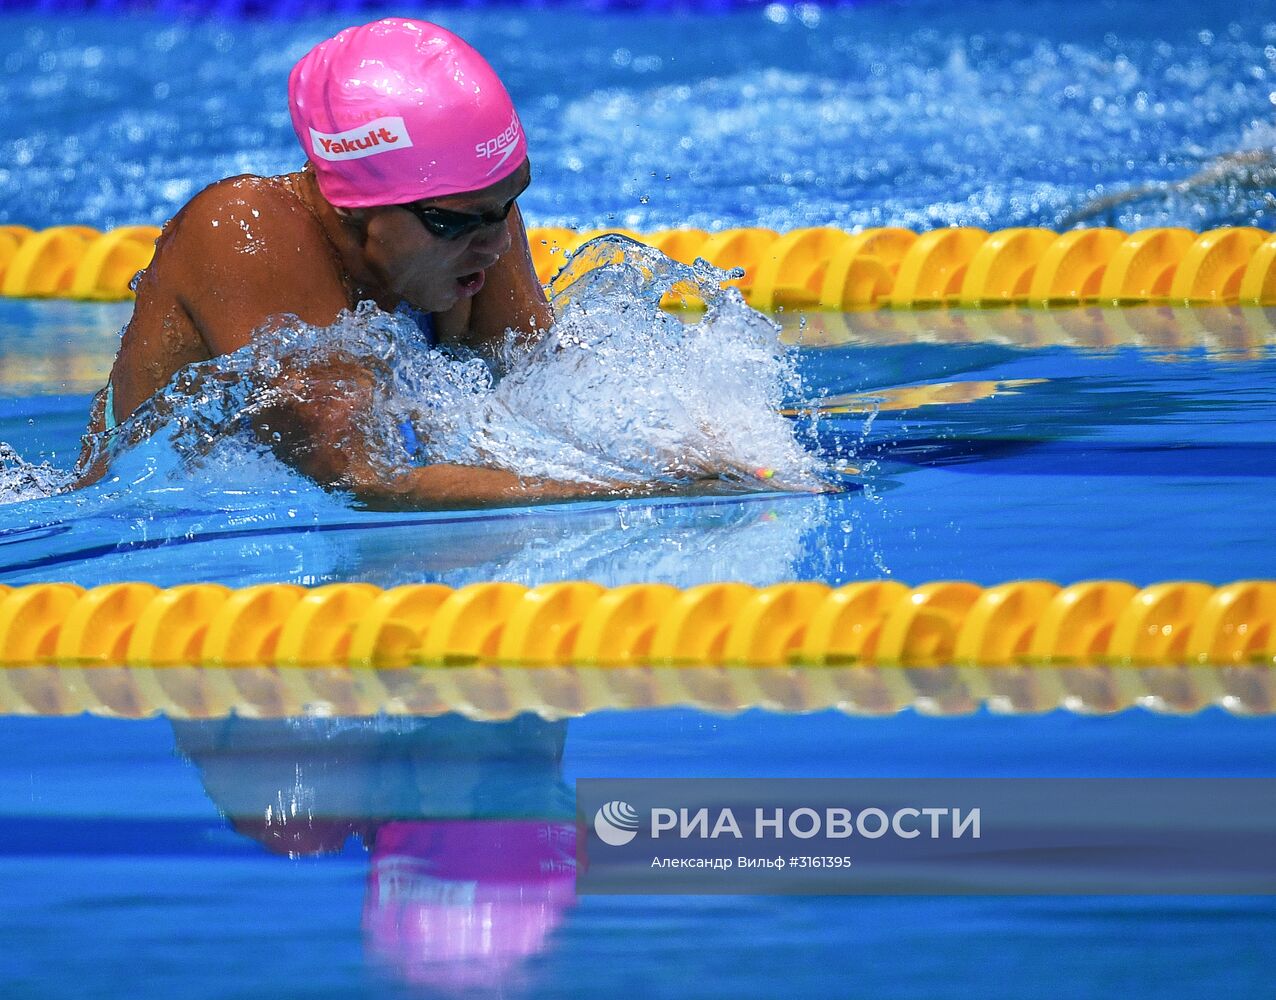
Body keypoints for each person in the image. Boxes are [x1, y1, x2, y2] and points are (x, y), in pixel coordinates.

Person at [75, 18, 636, 510]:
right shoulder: (243, 232)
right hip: (164, 547)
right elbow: (366, 477)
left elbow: (551, 398)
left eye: (509, 203)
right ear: (355, 202)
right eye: (453, 220)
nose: (496, 242)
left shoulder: (475, 228)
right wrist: (634, 490)